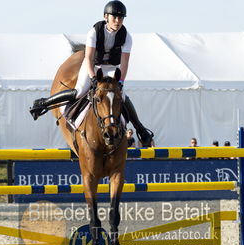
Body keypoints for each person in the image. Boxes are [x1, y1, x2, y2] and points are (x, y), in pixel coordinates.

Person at [29, 1, 154, 147]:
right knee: (79, 91)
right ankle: (44, 103)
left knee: (122, 96)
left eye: (121, 18)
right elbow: (88, 58)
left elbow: (124, 63)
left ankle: (140, 129)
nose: (118, 21)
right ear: (105, 16)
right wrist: (93, 78)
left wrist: (120, 82)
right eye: (115, 17)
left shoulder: (127, 36)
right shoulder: (95, 32)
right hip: (93, 66)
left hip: (112, 67)